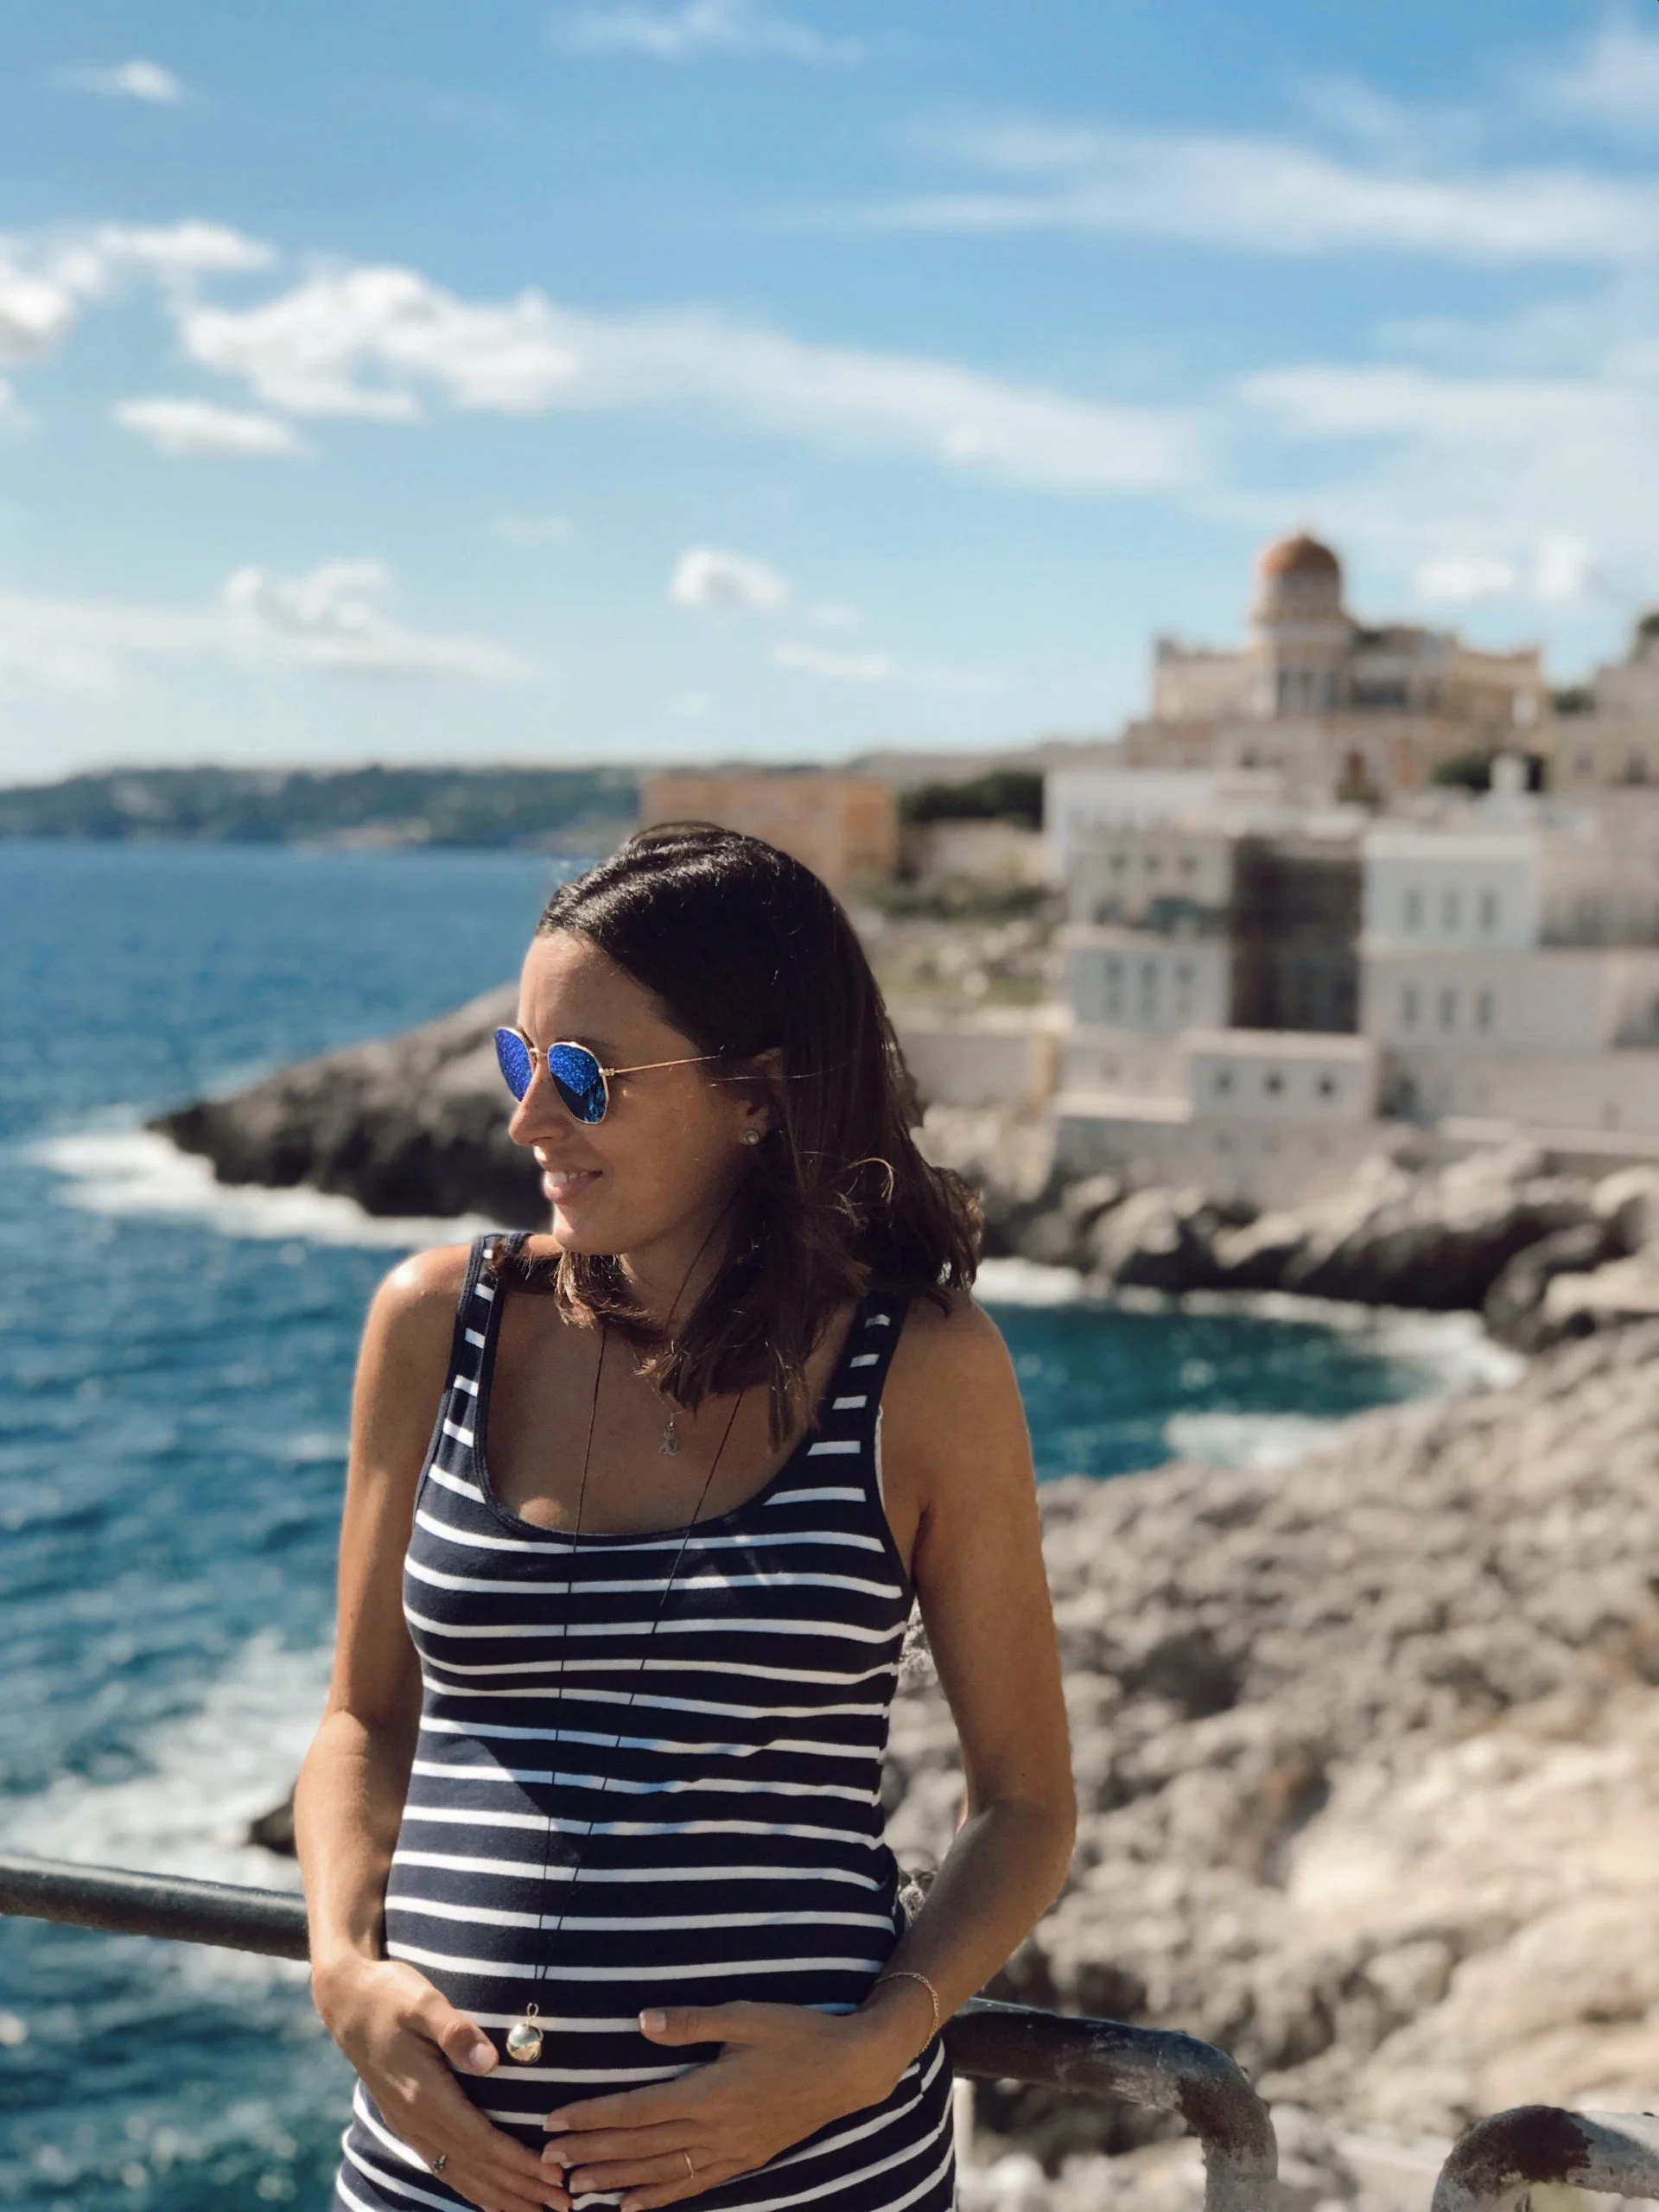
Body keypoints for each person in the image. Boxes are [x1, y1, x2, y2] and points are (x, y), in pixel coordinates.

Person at [296, 824, 1076, 2212]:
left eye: (584, 1076)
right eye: (518, 1061)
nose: (529, 1120)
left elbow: (1024, 1806)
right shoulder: (436, 1327)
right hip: (435, 2179)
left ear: (760, 1095)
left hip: (805, 2177)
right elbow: (365, 1721)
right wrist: (345, 1974)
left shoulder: (925, 1372)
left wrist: (868, 2050)